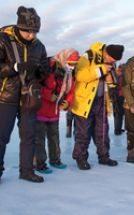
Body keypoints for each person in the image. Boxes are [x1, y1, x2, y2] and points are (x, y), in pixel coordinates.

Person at [0, 6, 50, 182]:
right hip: (6, 97)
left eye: (35, 31)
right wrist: (15, 67)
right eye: (29, 31)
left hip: (29, 97)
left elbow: (45, 72)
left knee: (29, 135)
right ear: (19, 27)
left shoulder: (39, 46)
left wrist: (43, 70)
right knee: (1, 136)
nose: (32, 35)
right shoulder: (4, 39)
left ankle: (27, 171)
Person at [72, 42, 124, 170]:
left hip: (101, 100)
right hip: (85, 101)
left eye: (115, 61)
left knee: (102, 131)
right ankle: (81, 158)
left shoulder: (111, 62)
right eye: (111, 59)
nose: (112, 62)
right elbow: (80, 75)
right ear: (106, 52)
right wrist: (100, 69)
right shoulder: (88, 55)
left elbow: (109, 84)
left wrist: (111, 82)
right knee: (83, 132)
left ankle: (104, 156)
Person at [34, 48, 79, 174]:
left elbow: (71, 91)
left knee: (54, 137)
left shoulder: (69, 73)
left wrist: (68, 103)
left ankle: (55, 160)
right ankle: (39, 163)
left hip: (54, 111)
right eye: (70, 63)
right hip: (40, 108)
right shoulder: (48, 67)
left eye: (74, 65)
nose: (72, 67)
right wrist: (48, 94)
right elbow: (35, 84)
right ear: (64, 59)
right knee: (39, 138)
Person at [110, 64, 125, 135]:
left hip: (114, 96)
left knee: (116, 114)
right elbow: (122, 86)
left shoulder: (115, 74)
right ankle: (117, 130)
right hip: (119, 96)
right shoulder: (121, 76)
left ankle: (117, 129)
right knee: (119, 114)